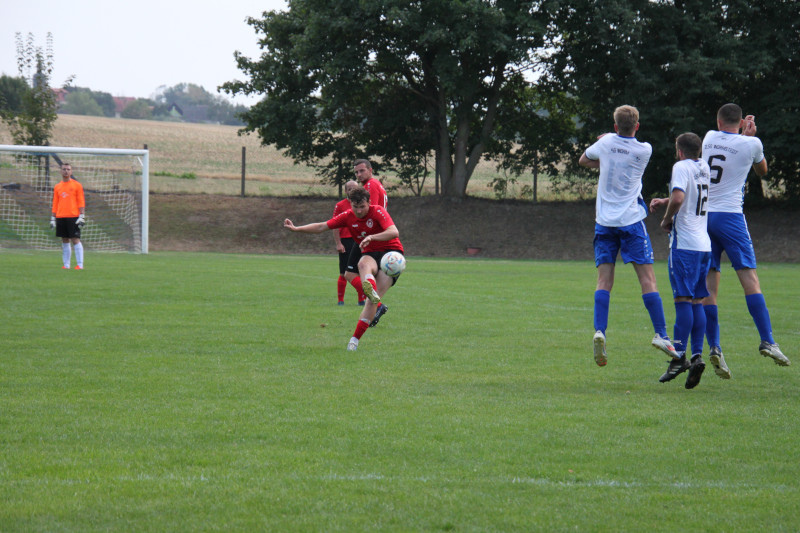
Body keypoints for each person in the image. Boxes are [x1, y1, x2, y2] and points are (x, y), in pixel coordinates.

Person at [578, 105, 677, 367]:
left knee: (603, 280)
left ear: (614, 126)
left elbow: (583, 160)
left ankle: (600, 331)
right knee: (647, 279)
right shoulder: (645, 150)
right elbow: (627, 147)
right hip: (631, 221)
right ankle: (661, 334)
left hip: (604, 223)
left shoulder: (607, 142)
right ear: (637, 126)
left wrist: (606, 153)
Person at [701, 103, 790, 369]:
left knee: (709, 286)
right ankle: (767, 340)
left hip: (705, 217)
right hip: (730, 217)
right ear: (741, 122)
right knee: (749, 278)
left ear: (718, 122)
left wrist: (742, 136)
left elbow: (727, 148)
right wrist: (749, 137)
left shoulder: (707, 137)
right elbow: (762, 170)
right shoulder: (751, 144)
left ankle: (715, 346)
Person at [284, 186, 404, 351]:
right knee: (362, 264)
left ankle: (355, 338)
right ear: (350, 204)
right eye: (355, 207)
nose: (359, 211)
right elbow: (321, 226)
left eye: (362, 206)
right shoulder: (348, 216)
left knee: (370, 302)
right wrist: (297, 229)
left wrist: (372, 237)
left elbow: (393, 231)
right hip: (370, 254)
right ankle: (369, 289)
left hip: (391, 255)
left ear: (369, 202)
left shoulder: (378, 212)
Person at [649, 133, 712, 388]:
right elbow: (692, 198)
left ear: (679, 151)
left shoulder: (680, 166)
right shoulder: (703, 166)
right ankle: (696, 356)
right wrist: (668, 201)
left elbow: (678, 198)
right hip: (703, 246)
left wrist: (666, 219)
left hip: (684, 246)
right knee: (697, 301)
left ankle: (678, 356)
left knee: (683, 300)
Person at [351, 159, 389, 324]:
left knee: (351, 273)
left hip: (368, 234)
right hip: (371, 233)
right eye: (356, 172)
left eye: (362, 171)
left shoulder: (370, 186)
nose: (359, 175)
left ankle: (376, 304)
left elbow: (368, 210)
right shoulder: (375, 184)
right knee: (354, 273)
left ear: (370, 170)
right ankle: (375, 304)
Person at [333, 180, 366, 306]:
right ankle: (340, 300)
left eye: (355, 188)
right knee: (344, 272)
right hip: (346, 241)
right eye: (350, 189)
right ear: (346, 191)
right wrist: (338, 243)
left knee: (359, 271)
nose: (352, 191)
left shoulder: (363, 204)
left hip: (359, 240)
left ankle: (361, 300)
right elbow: (334, 226)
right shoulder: (340, 205)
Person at [50, 162, 86, 270]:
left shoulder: (77, 185)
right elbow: (55, 203)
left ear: (71, 171)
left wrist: (82, 216)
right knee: (65, 240)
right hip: (61, 216)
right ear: (61, 171)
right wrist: (53, 218)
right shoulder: (57, 187)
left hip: (73, 216)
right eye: (64, 169)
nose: (66, 171)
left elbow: (81, 201)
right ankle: (66, 265)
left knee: (75, 239)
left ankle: (80, 264)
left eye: (68, 169)